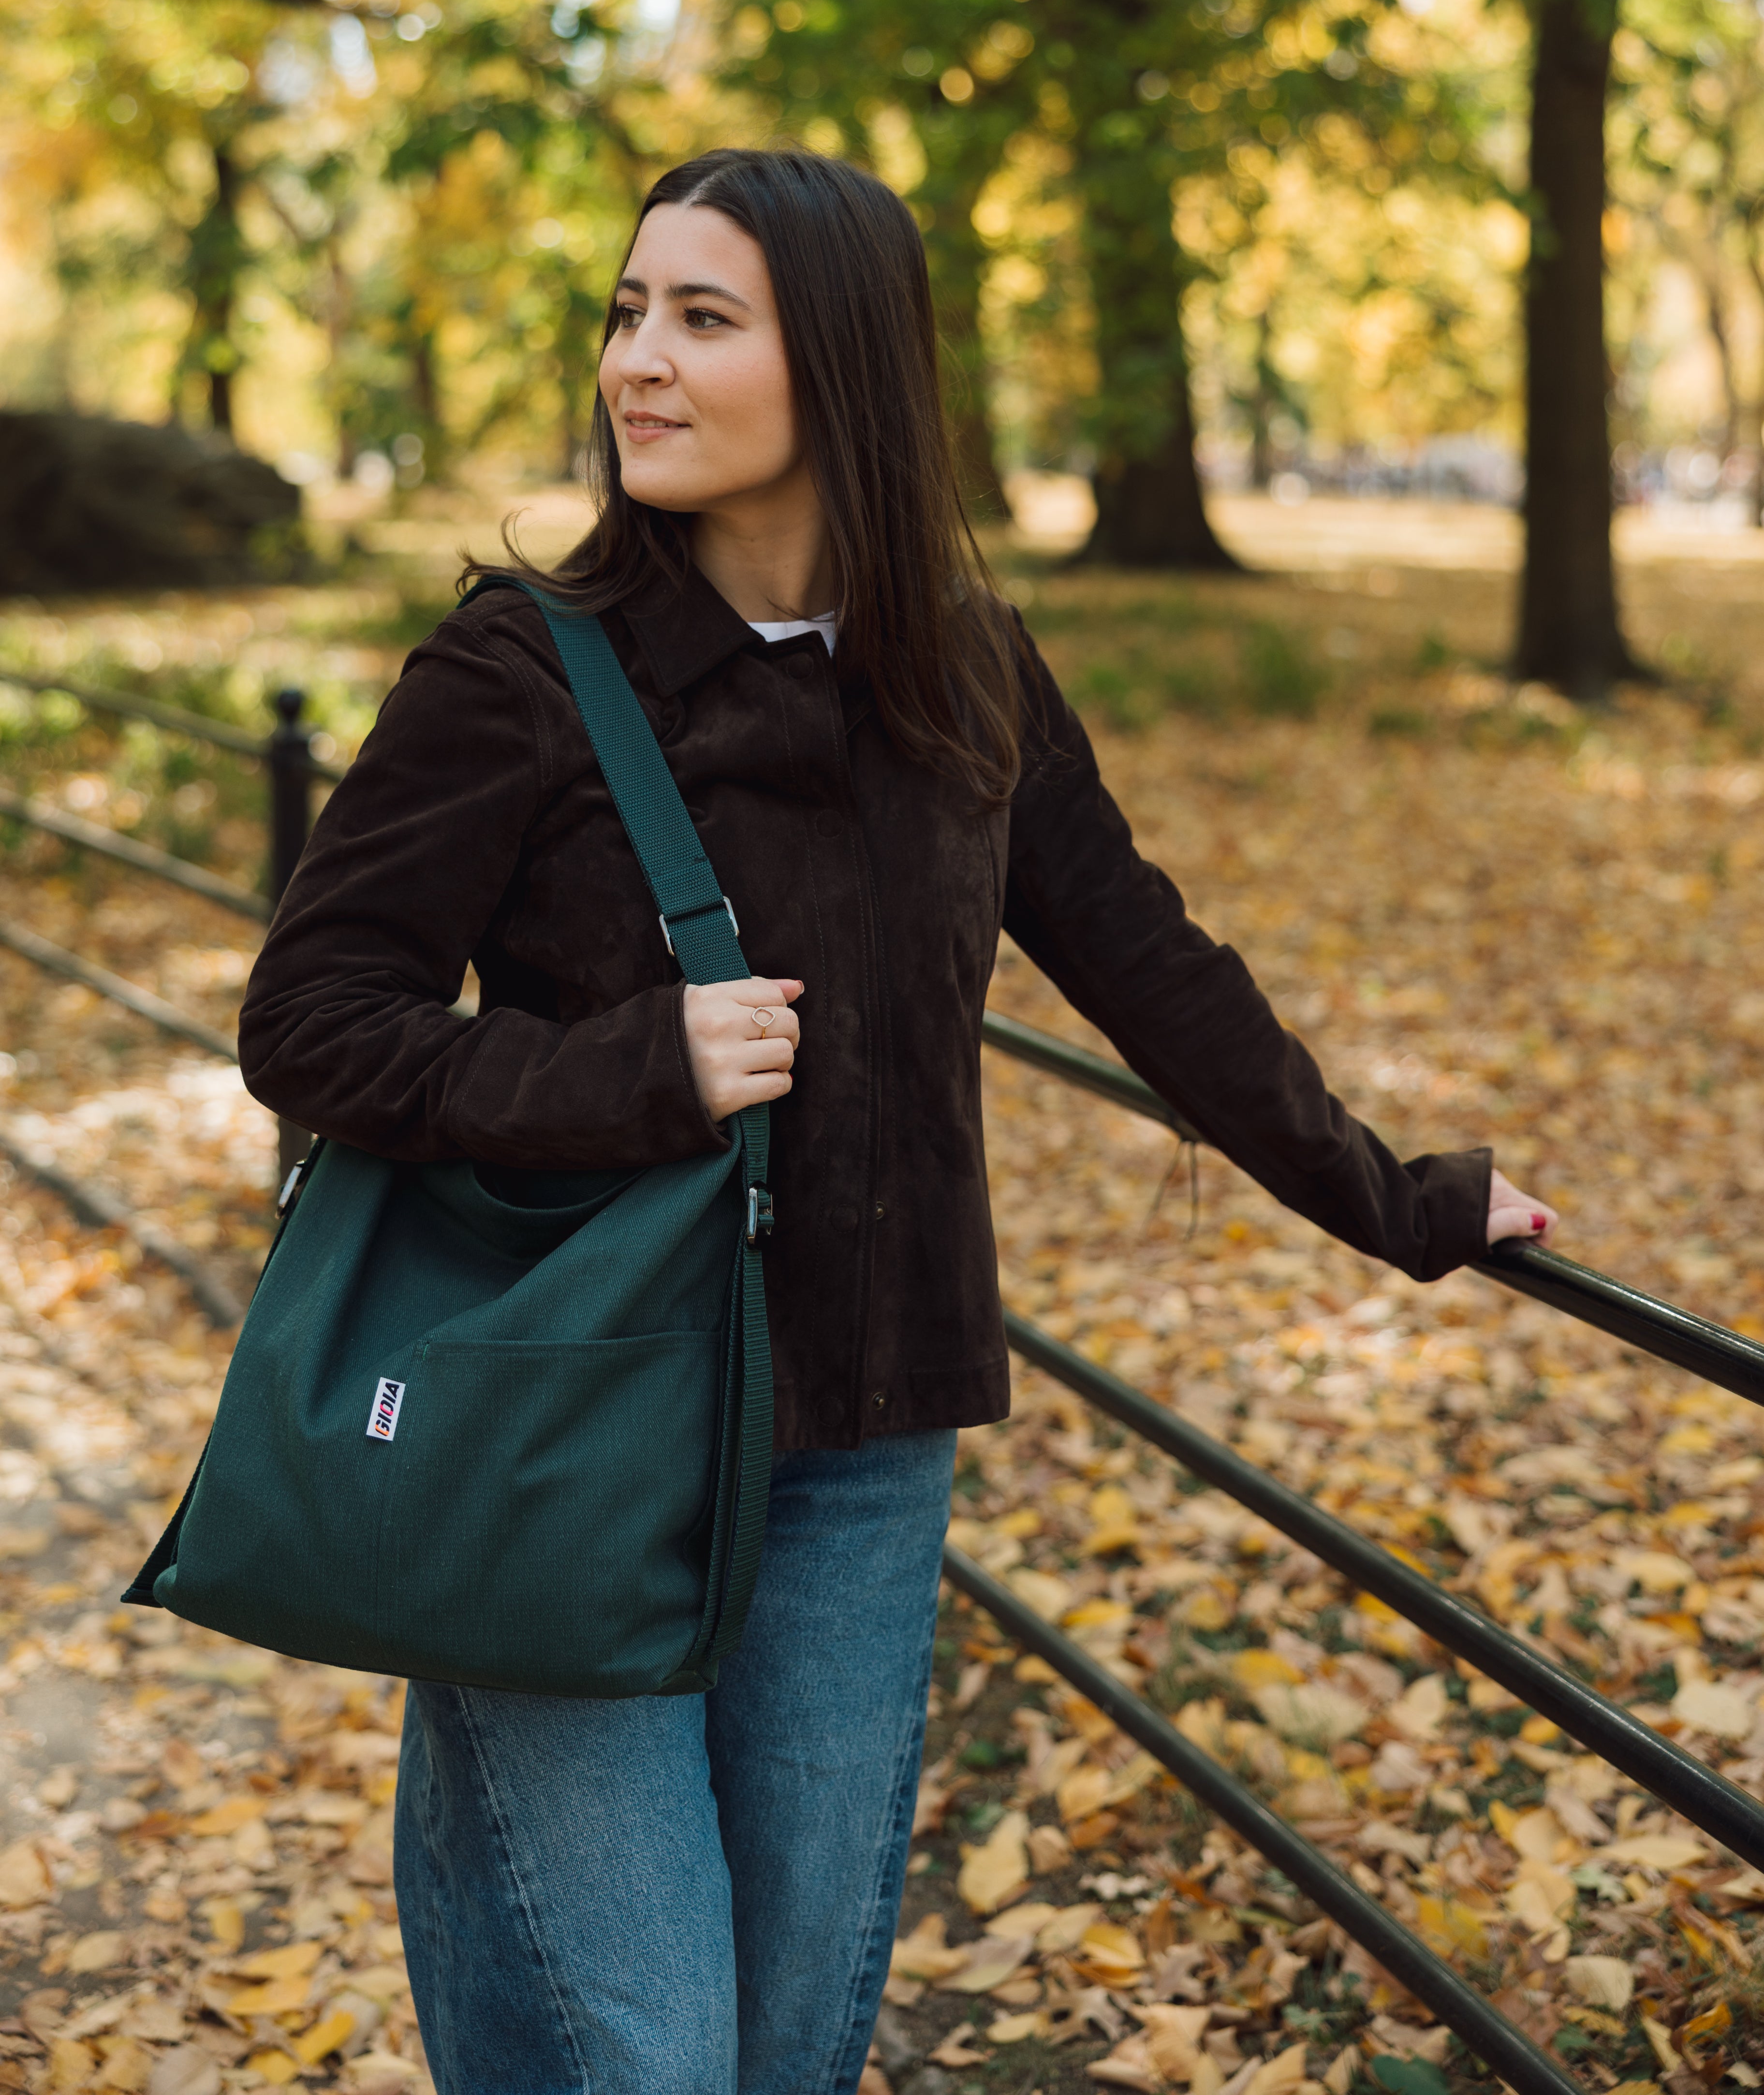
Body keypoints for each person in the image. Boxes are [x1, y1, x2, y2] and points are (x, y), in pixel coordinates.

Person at [237, 147, 1558, 2095]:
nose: (637, 366)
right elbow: (309, 1024)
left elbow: (1152, 969)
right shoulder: (522, 669)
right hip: (566, 1426)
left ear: (843, 363)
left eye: (701, 318)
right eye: (627, 314)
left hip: (862, 1445)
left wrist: (1400, 1200)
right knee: (657, 2048)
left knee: (787, 2042)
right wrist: (633, 1071)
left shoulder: (964, 673)